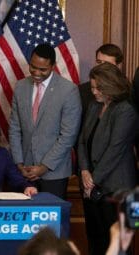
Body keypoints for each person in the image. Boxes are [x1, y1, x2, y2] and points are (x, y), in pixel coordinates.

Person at [77, 62, 138, 255]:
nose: (93, 92)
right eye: (92, 87)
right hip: (92, 187)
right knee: (96, 241)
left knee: (118, 245)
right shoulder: (94, 106)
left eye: (98, 88)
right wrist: (84, 171)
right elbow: (81, 141)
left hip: (116, 190)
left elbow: (115, 150)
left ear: (111, 85)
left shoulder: (126, 110)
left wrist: (92, 182)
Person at [9, 43, 81, 199]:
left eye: (43, 69)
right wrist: (19, 163)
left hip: (54, 172)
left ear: (53, 66)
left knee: (52, 222)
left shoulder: (68, 90)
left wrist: (44, 167)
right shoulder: (21, 87)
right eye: (33, 67)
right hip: (25, 170)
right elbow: (14, 128)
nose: (36, 72)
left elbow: (68, 135)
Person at [79, 43, 123, 117]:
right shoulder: (82, 91)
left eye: (107, 63)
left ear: (118, 66)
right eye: (99, 62)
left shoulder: (126, 92)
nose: (101, 66)